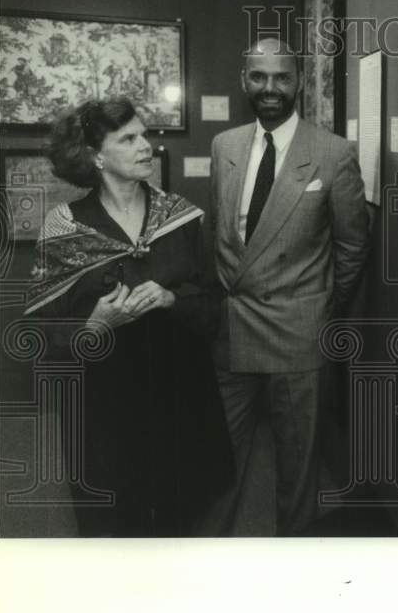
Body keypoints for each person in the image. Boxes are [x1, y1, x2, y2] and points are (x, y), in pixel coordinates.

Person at [24, 97, 234, 537]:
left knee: (180, 506)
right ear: (95, 156)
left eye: (146, 135)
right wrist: (95, 324)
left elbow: (214, 304)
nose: (146, 147)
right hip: (105, 400)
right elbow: (39, 332)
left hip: (178, 389)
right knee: (115, 512)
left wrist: (172, 298)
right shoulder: (65, 227)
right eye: (129, 139)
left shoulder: (179, 217)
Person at [208, 37, 369, 536]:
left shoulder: (333, 153)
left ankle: (292, 558)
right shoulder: (225, 146)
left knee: (297, 468)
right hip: (232, 331)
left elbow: (352, 248)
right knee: (217, 457)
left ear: (299, 82)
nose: (270, 88)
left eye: (281, 77)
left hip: (298, 334)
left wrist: (318, 307)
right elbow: (216, 228)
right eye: (259, 77)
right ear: (244, 82)